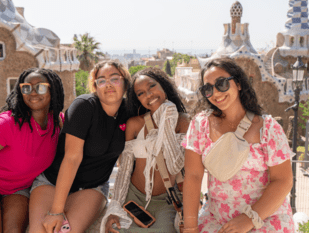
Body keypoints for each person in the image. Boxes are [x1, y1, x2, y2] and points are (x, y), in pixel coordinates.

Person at [182, 57, 294, 233]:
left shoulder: (268, 129)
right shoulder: (200, 125)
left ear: (239, 84)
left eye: (222, 84)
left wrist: (249, 219)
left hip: (265, 219)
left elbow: (283, 180)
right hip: (217, 221)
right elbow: (193, 176)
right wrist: (190, 227)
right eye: (207, 89)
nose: (216, 93)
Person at [29, 60, 131, 233]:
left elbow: (128, 164)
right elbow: (72, 158)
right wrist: (56, 211)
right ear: (95, 86)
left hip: (92, 187)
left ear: (125, 83)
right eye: (101, 80)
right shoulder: (85, 106)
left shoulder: (130, 112)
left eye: (115, 79)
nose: (108, 85)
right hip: (52, 182)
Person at [0, 68, 64, 233]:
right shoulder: (7, 123)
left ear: (53, 91)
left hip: (19, 188)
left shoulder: (58, 124)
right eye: (26, 88)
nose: (33, 93)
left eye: (41, 87)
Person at [102, 67, 190, 233]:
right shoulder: (134, 124)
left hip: (167, 201)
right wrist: (114, 208)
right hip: (133, 198)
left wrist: (168, 120)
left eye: (152, 86)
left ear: (164, 86)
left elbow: (175, 166)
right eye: (140, 93)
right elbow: (124, 170)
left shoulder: (183, 122)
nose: (148, 94)